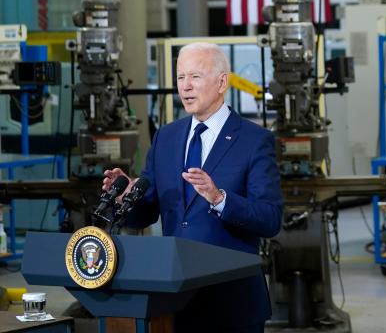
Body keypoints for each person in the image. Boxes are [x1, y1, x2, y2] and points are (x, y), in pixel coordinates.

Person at [102, 42, 283, 333]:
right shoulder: (166, 138)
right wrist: (126, 198)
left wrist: (219, 198)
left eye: (195, 77)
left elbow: (271, 219)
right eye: (180, 77)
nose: (185, 87)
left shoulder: (254, 140)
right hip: (176, 302)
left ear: (222, 81)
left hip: (233, 304)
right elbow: (144, 215)